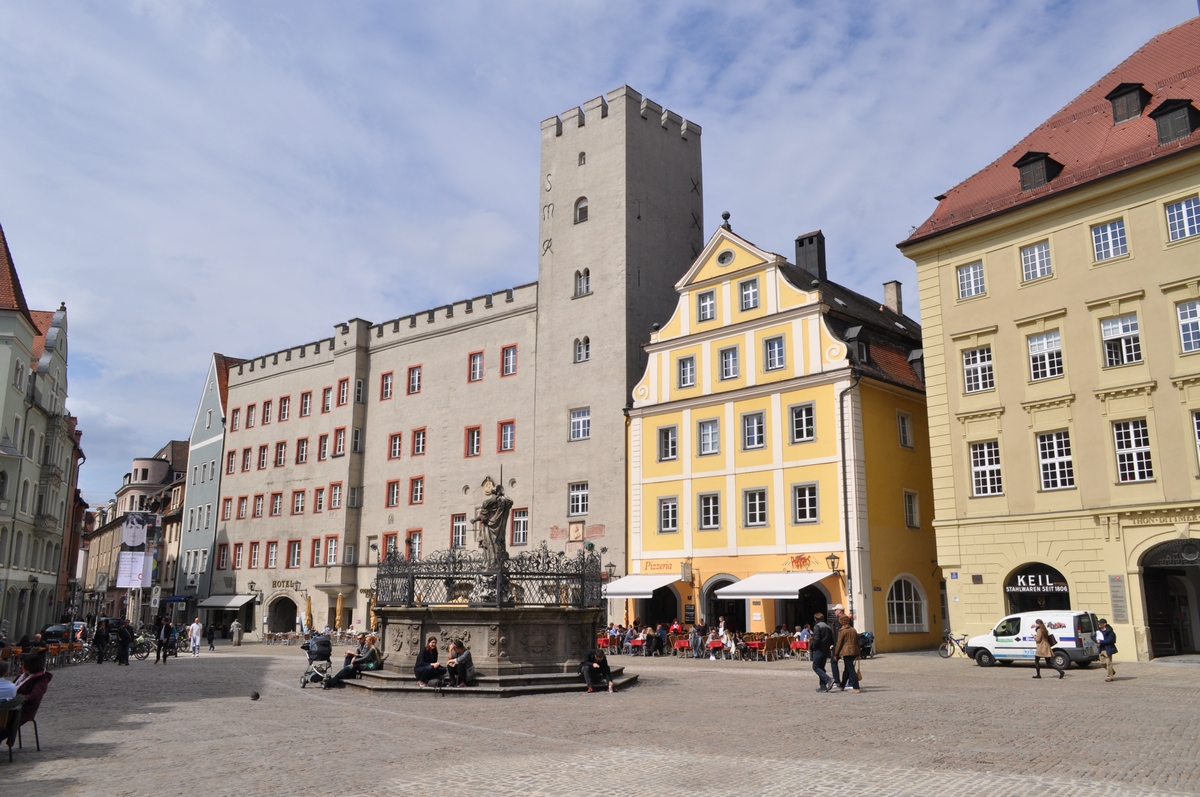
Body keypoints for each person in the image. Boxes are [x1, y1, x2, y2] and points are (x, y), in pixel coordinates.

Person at [15, 654, 51, 730]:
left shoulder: (41, 680)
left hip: (24, 709)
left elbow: (34, 697)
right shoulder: (22, 675)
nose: (20, 667)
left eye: (22, 664)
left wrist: (17, 697)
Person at [833, 615, 861, 693]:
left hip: (846, 652)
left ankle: (856, 687)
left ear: (842, 622)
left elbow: (839, 643)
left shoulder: (842, 631)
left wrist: (836, 653)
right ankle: (842, 685)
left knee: (851, 669)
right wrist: (858, 652)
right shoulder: (853, 630)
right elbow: (857, 642)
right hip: (854, 651)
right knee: (847, 669)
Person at [810, 612, 835, 692]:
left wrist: (812, 647)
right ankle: (823, 686)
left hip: (819, 649)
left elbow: (816, 639)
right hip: (826, 649)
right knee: (821, 667)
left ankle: (828, 679)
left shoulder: (817, 627)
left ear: (815, 619)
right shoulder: (828, 627)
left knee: (815, 666)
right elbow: (832, 639)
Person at [1095, 618, 1118, 683]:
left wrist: (1101, 641)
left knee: (1108, 663)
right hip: (1101, 648)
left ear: (1105, 624)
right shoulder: (1099, 631)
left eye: (1101, 623)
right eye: (1099, 623)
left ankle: (1109, 677)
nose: (1099, 624)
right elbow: (1094, 636)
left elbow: (1110, 640)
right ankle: (1112, 671)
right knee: (1102, 663)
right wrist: (1096, 640)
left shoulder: (1110, 631)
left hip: (1108, 649)